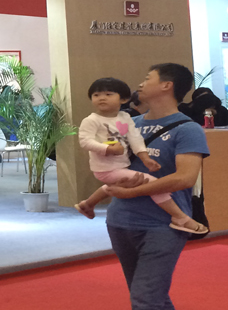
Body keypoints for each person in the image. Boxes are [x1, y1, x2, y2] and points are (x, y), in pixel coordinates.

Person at [99, 62, 210, 310]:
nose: (141, 83)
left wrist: (133, 191)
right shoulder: (129, 123)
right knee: (149, 294)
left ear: (166, 86)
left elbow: (185, 178)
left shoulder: (188, 129)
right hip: (121, 221)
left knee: (145, 298)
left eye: (148, 78)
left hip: (164, 225)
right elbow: (106, 163)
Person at [73, 78, 207, 236]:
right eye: (96, 95)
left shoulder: (125, 118)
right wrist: (107, 149)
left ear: (123, 99)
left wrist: (145, 158)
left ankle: (87, 204)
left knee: (119, 183)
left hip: (120, 166)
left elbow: (135, 139)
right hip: (105, 168)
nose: (102, 98)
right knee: (152, 182)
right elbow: (85, 141)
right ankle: (179, 217)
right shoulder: (92, 120)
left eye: (108, 94)